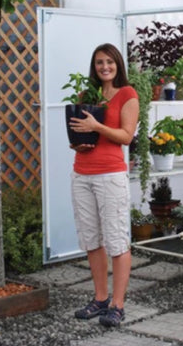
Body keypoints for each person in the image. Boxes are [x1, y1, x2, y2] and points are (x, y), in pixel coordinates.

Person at [69, 43, 139, 327]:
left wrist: (96, 127)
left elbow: (125, 136)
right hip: (81, 173)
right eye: (99, 63)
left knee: (116, 240)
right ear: (94, 66)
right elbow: (79, 131)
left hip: (110, 176)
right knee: (91, 239)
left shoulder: (127, 94)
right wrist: (79, 139)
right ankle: (99, 299)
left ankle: (117, 304)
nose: (104, 67)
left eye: (109, 62)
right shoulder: (87, 95)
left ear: (117, 64)